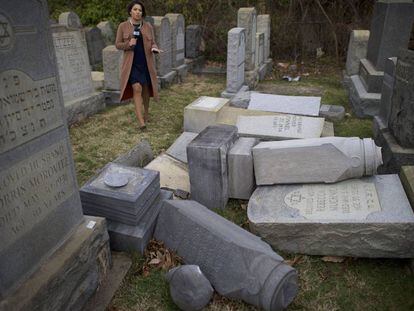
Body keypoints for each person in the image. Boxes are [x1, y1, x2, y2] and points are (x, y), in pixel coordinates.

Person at [115, 1, 161, 130]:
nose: (138, 12)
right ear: (130, 11)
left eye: (140, 10)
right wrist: (128, 44)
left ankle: (146, 113)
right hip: (132, 64)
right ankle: (141, 121)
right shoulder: (123, 26)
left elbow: (153, 42)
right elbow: (117, 44)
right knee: (137, 88)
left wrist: (154, 48)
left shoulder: (148, 27)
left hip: (146, 62)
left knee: (146, 89)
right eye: (135, 9)